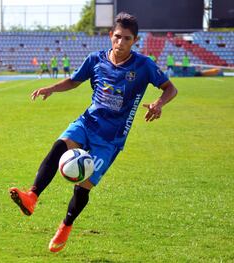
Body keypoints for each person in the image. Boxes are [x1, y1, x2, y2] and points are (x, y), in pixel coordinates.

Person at [9, 12, 177, 253]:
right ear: (111, 36)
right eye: (117, 37)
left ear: (135, 41)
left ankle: (65, 227)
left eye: (127, 39)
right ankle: (31, 197)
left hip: (111, 138)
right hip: (88, 122)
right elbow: (74, 80)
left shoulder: (144, 65)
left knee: (83, 186)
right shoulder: (95, 59)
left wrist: (159, 104)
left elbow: (170, 88)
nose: (121, 43)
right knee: (59, 147)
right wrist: (52, 88)